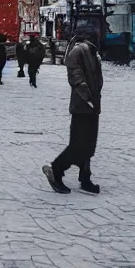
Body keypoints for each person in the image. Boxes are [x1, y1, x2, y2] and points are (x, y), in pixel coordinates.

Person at [42, 32, 103, 194]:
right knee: (78, 145)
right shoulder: (79, 50)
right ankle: (56, 170)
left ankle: (85, 178)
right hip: (82, 106)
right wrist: (87, 97)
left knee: (89, 145)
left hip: (92, 106)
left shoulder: (92, 52)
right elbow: (76, 77)